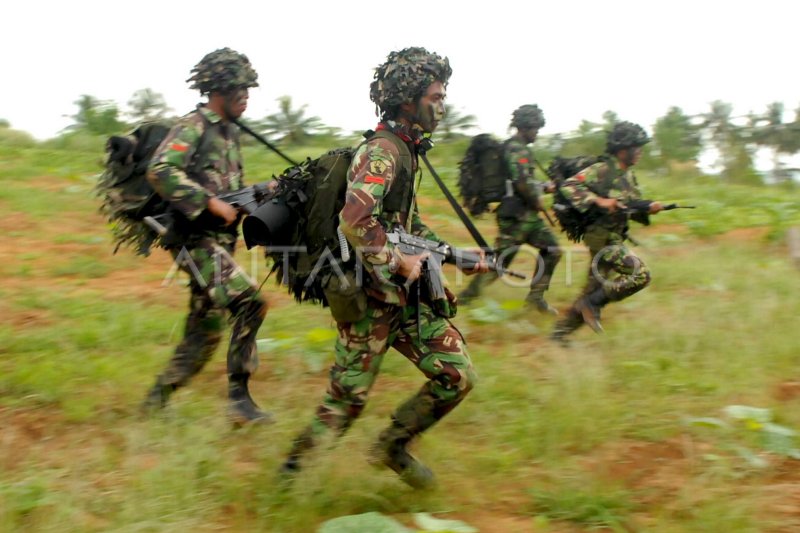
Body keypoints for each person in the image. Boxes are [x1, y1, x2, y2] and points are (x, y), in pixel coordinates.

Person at [278, 47, 487, 489]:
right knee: (346, 401)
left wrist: (454, 255)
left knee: (456, 375)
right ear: (408, 99)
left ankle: (392, 446)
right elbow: (354, 221)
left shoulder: (408, 151)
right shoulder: (382, 153)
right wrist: (398, 260)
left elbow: (404, 226)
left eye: (443, 94)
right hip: (370, 299)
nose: (442, 105)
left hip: (406, 298)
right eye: (435, 95)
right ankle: (287, 481)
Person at [140, 48, 271, 426]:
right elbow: (161, 169)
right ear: (219, 90)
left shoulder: (229, 133)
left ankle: (155, 401)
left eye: (249, 89)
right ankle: (239, 402)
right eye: (240, 89)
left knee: (205, 333)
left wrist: (258, 195)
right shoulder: (194, 125)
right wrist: (209, 203)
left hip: (219, 242)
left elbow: (226, 188)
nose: (246, 96)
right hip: (193, 240)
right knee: (251, 302)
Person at [550, 121, 663, 343]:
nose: (639, 152)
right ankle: (591, 305)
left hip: (614, 235)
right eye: (636, 148)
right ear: (623, 150)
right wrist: (599, 200)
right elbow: (569, 186)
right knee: (640, 275)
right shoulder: (602, 169)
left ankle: (559, 335)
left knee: (593, 290)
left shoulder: (628, 176)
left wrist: (648, 207)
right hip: (602, 238)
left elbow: (628, 205)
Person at [458, 105, 562, 314]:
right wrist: (538, 197)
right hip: (517, 216)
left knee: (552, 250)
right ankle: (466, 298)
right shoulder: (517, 148)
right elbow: (522, 183)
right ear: (525, 127)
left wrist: (542, 187)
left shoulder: (516, 147)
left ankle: (535, 298)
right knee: (499, 262)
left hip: (523, 214)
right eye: (535, 128)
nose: (537, 132)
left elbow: (520, 181)